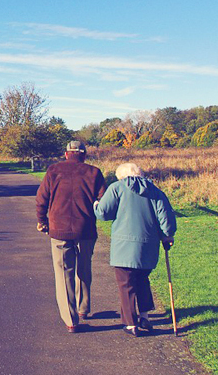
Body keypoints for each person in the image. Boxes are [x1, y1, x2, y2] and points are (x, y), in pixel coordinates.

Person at [94, 162, 176, 337]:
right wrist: (167, 236)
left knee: (126, 284)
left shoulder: (117, 188)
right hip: (148, 246)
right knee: (142, 279)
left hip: (124, 247)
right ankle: (145, 316)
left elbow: (103, 213)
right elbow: (166, 218)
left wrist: (95, 205)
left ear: (121, 176)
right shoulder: (155, 191)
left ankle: (131, 323)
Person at [35, 141, 106, 333]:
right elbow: (103, 200)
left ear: (66, 154)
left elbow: (41, 198)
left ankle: (71, 320)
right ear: (84, 155)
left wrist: (42, 221)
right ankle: (83, 309)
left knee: (63, 273)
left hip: (59, 230)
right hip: (86, 230)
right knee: (84, 269)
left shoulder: (53, 170)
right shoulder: (94, 172)